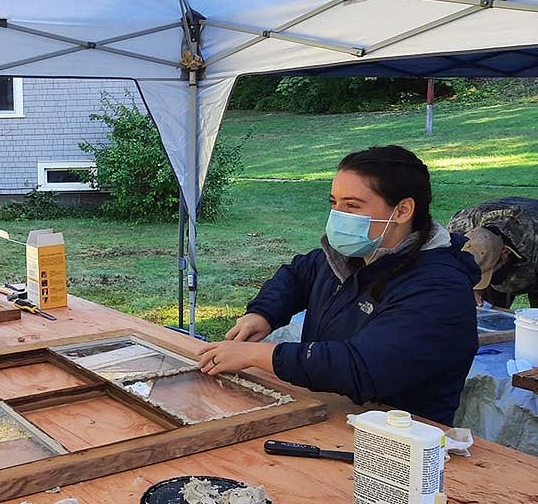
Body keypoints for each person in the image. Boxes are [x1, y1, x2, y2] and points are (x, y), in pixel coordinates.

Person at [197, 145, 479, 425]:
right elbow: (298, 275)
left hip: (399, 440)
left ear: (403, 210)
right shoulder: (352, 255)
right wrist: (262, 313)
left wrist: (258, 354)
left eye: (352, 205)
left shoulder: (440, 289)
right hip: (327, 414)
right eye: (334, 203)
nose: (338, 216)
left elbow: (362, 367)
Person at [447, 197, 538, 308]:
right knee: (485, 312)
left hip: (531, 246)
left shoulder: (532, 239)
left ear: (506, 251)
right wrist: (472, 288)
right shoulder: (458, 228)